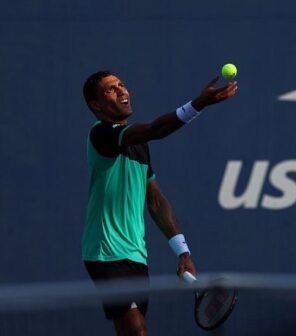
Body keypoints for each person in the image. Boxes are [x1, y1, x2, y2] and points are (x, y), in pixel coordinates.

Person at [81, 70, 238, 336]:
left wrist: (183, 252)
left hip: (135, 254)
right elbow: (156, 129)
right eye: (110, 89)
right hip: (106, 252)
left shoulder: (139, 146)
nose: (122, 90)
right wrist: (198, 104)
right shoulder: (102, 135)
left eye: (122, 84)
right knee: (137, 330)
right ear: (96, 105)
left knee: (128, 331)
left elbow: (154, 200)